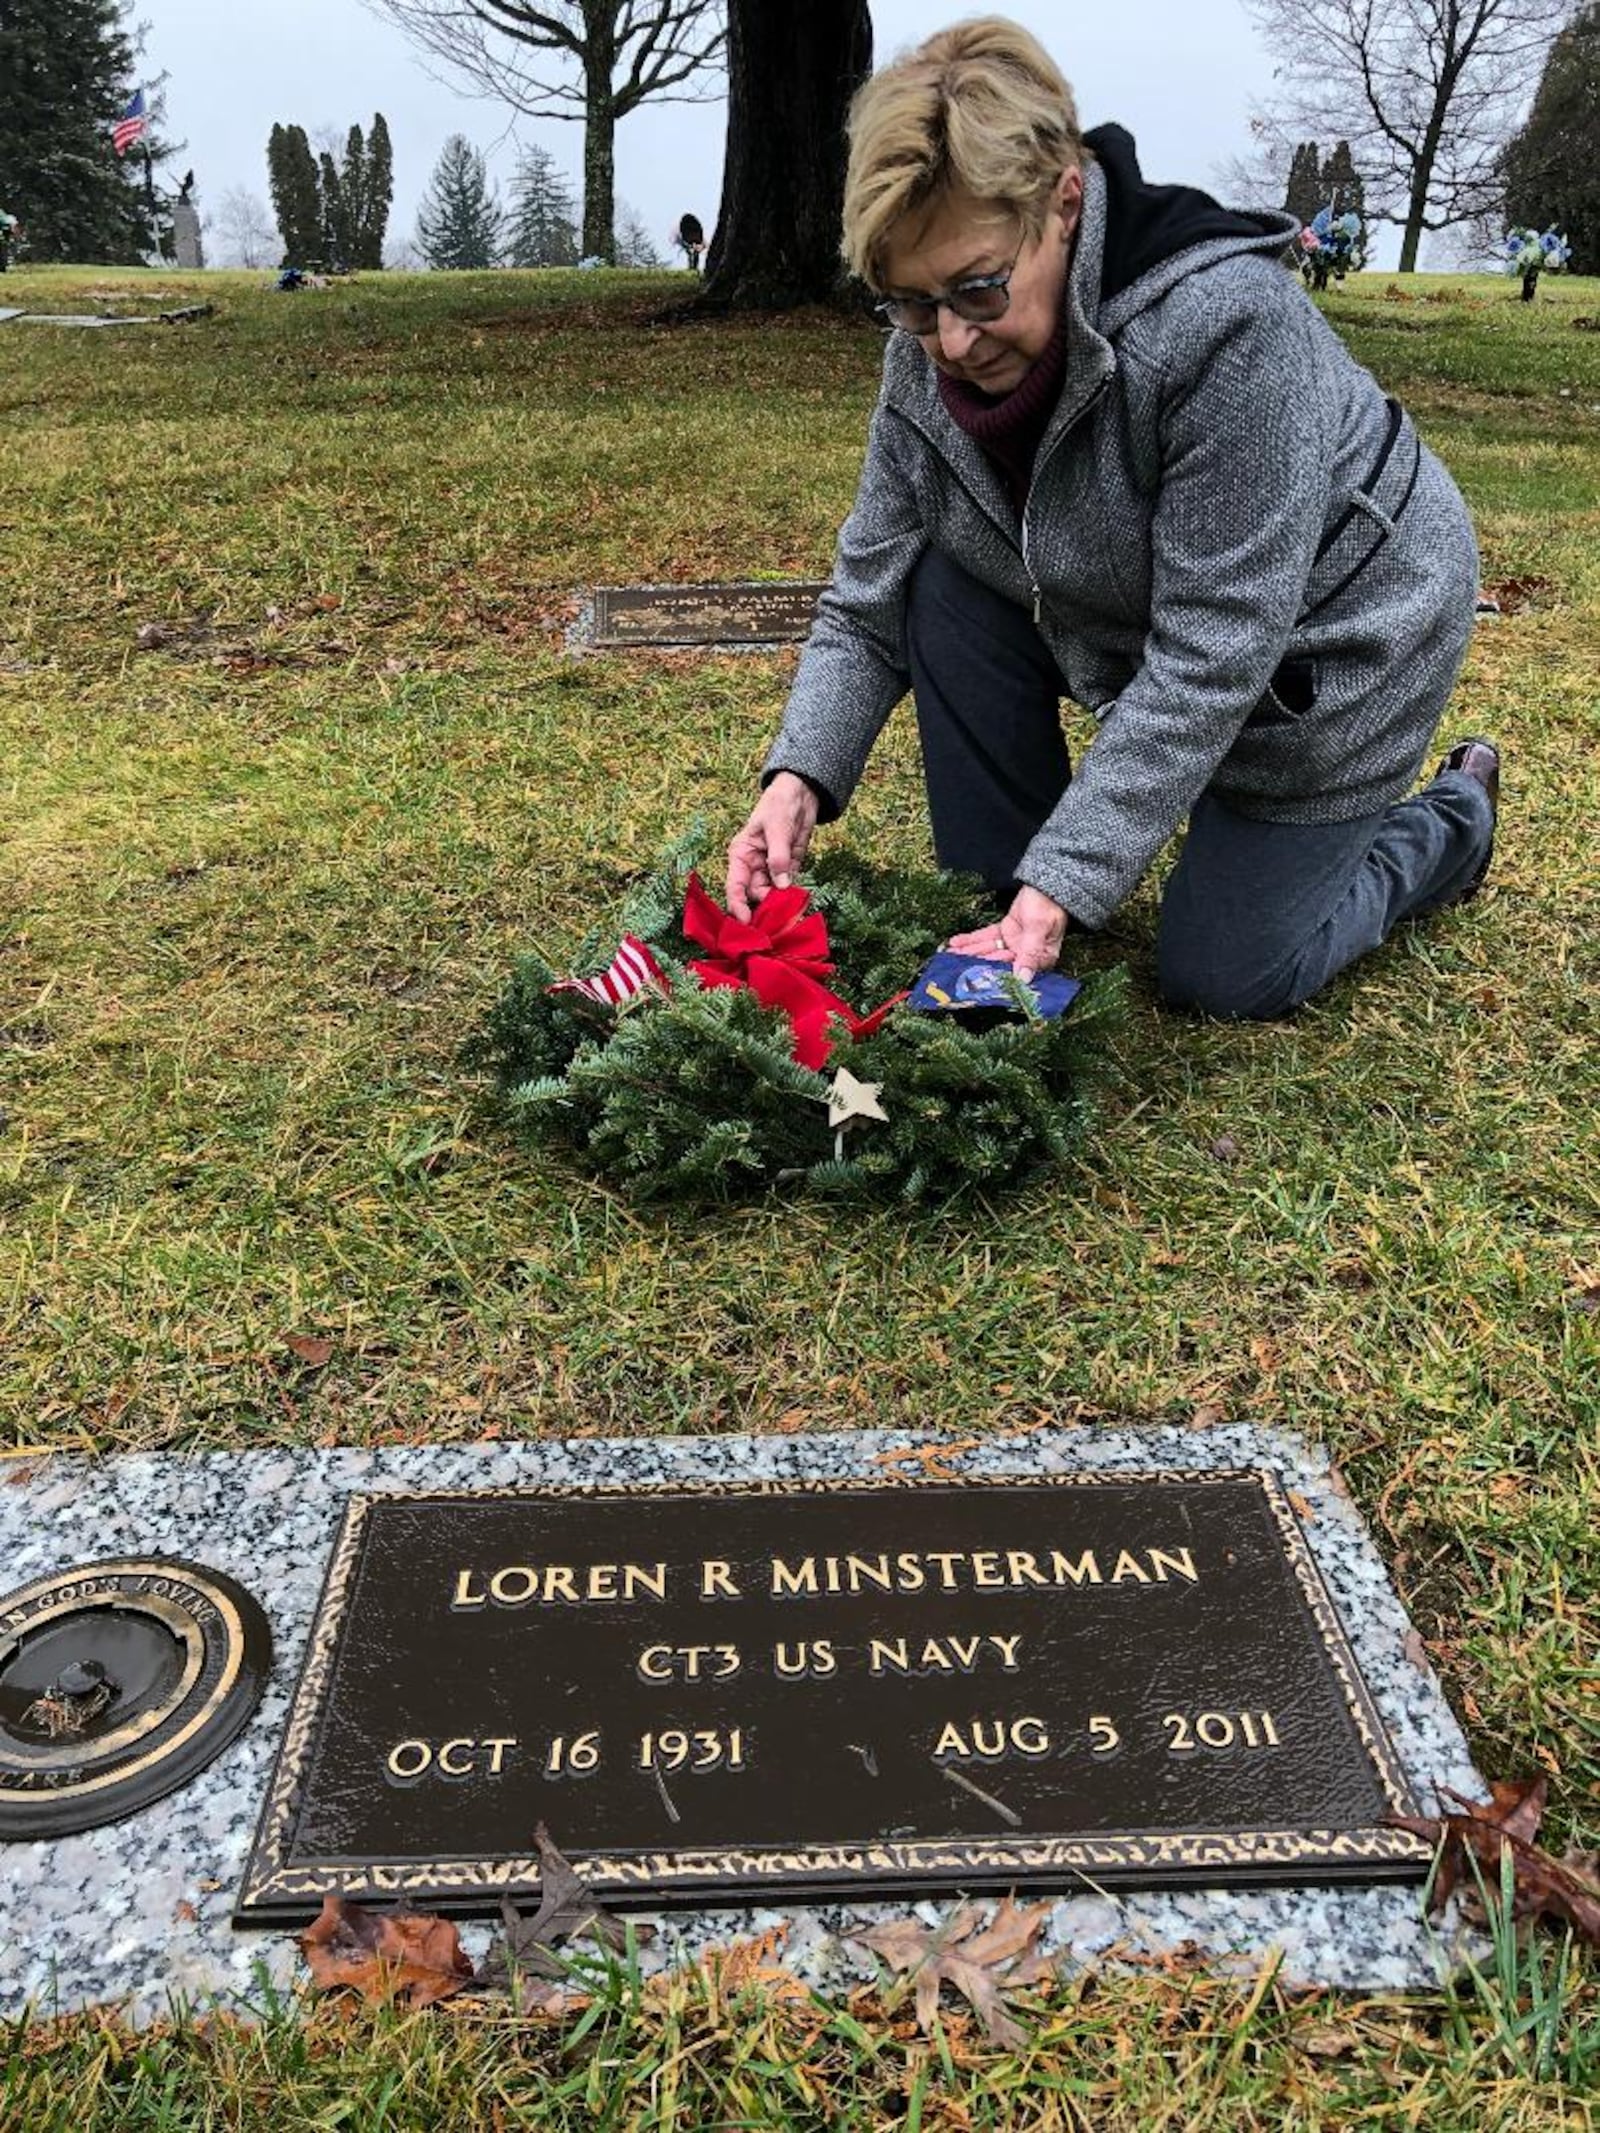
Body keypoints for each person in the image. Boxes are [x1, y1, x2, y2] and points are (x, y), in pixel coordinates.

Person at [723, 18, 1497, 1020]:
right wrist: (797, 780)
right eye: (909, 304)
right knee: (939, 578)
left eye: (977, 288)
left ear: (1064, 202)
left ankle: (1452, 821)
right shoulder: (922, 356)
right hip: (1134, 606)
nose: (949, 342)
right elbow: (867, 598)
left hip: (1336, 648)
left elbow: (1216, 649)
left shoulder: (1226, 328)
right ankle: (1007, 896)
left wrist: (1078, 868)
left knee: (1226, 974)